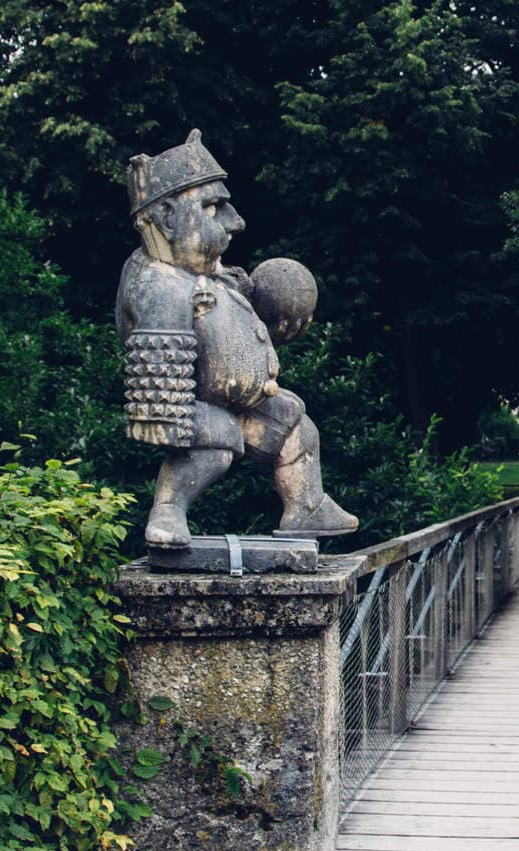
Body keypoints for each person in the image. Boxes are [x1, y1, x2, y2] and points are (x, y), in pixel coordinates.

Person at [116, 129, 358, 548]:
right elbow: (157, 382)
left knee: (294, 425)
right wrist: (177, 420)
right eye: (214, 208)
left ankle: (307, 506)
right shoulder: (158, 287)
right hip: (192, 409)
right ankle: (168, 512)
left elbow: (238, 316)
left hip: (240, 401)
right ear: (170, 218)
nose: (235, 222)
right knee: (218, 445)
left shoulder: (207, 275)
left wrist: (278, 315)